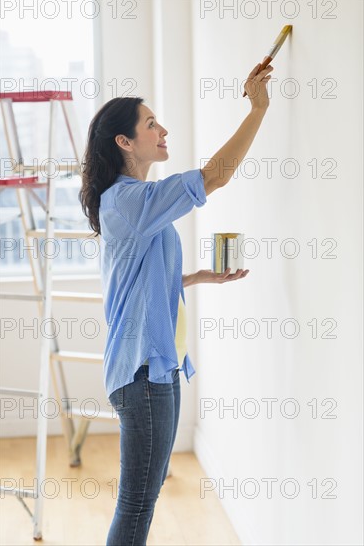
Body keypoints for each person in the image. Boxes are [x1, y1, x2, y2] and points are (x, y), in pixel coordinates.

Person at [79, 61, 273, 546]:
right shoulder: (127, 201)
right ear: (124, 142)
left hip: (154, 370)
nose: (162, 130)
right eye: (150, 124)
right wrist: (258, 109)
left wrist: (198, 277)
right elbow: (213, 177)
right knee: (137, 503)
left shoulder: (135, 199)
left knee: (141, 499)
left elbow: (136, 281)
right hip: (144, 375)